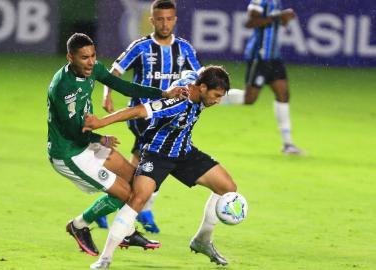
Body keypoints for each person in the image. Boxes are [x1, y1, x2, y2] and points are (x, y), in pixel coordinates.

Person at [84, 66, 243, 269]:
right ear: (202, 87)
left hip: (184, 152)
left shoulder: (195, 82)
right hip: (157, 155)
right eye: (216, 95)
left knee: (228, 187)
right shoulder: (178, 100)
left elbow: (192, 72)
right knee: (138, 198)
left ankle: (202, 240)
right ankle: (104, 259)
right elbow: (138, 111)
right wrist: (100, 123)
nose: (217, 101)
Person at [47, 33, 186, 257]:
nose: (91, 62)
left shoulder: (92, 70)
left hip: (86, 141)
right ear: (69, 57)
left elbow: (125, 87)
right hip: (69, 153)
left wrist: (163, 92)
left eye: (93, 56)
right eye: (84, 58)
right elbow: (72, 132)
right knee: (125, 192)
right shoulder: (63, 88)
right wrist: (100, 139)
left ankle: (127, 231)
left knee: (135, 179)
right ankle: (79, 225)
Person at [98, 0, 203, 233]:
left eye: (169, 19)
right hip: (141, 114)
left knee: (139, 167)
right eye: (160, 19)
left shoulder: (184, 49)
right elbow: (114, 72)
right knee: (153, 161)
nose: (164, 24)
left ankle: (109, 204)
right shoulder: (141, 47)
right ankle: (141, 210)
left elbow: (199, 76)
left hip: (167, 117)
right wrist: (107, 94)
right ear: (151, 20)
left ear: (175, 20)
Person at [222, 0, 304, 155]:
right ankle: (210, 97)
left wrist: (285, 18)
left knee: (283, 95)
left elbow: (278, 23)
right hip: (259, 56)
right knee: (249, 99)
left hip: (274, 57)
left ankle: (288, 144)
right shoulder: (259, 1)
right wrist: (279, 17)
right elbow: (251, 22)